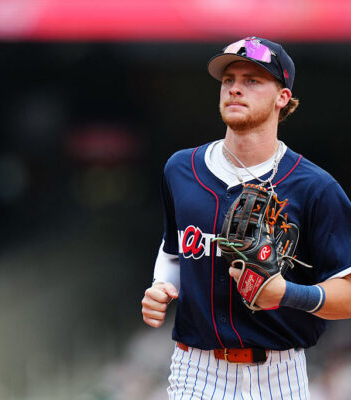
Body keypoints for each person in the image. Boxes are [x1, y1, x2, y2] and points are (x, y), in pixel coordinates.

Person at [141, 36, 351, 399]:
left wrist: (288, 293)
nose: (236, 89)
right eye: (229, 80)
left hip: (280, 373)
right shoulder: (181, 169)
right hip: (196, 370)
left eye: (252, 80)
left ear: (282, 97)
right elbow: (173, 250)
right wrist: (161, 285)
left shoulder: (315, 187)